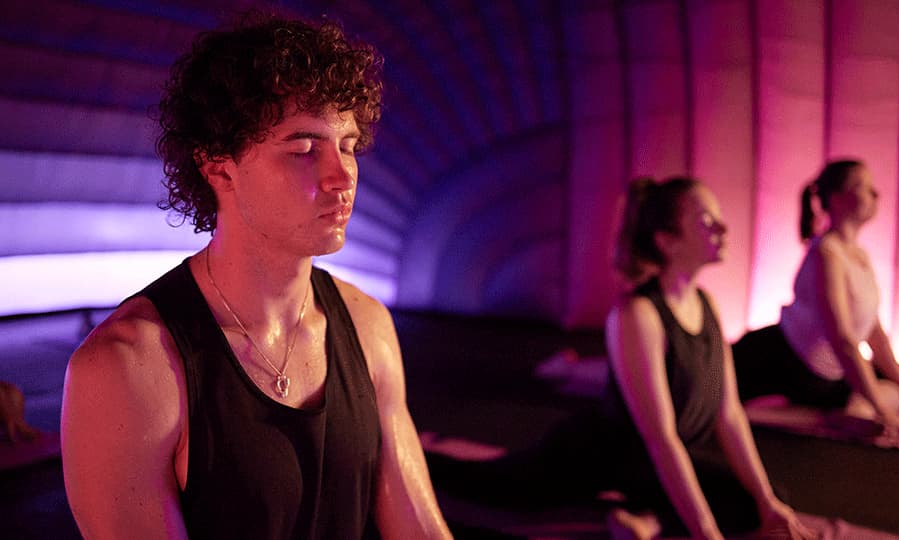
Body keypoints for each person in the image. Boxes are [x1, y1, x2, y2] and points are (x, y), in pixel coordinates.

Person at [61, 12, 452, 540]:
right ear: (219, 167)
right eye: (304, 149)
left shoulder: (368, 325)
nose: (342, 178)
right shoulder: (125, 367)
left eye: (348, 145)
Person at [427, 178, 814, 540]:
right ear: (667, 241)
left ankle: (647, 519)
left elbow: (728, 413)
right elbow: (660, 438)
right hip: (599, 456)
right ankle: (419, 454)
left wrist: (767, 501)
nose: (722, 229)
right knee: (485, 484)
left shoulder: (707, 304)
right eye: (705, 221)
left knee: (762, 500)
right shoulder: (638, 315)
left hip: (653, 462)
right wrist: (707, 533)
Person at [732, 160, 899, 441]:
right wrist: (880, 408)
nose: (874, 194)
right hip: (782, 359)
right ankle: (844, 414)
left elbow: (874, 333)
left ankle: (844, 414)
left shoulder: (858, 256)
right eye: (863, 187)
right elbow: (842, 337)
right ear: (838, 199)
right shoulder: (826, 254)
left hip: (824, 376)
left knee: (893, 391)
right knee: (712, 385)